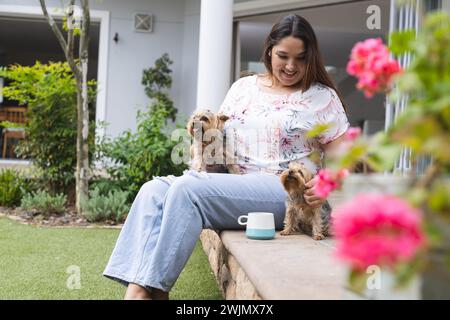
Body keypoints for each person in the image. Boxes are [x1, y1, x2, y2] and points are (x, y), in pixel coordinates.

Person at [103, 14, 350, 300]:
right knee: (152, 190)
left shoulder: (322, 97)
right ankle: (139, 290)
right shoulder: (242, 88)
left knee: (188, 190)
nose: (291, 66)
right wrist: (205, 150)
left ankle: (151, 293)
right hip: (235, 184)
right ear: (269, 50)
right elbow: (220, 141)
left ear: (311, 58)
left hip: (285, 191)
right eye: (283, 56)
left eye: (301, 58)